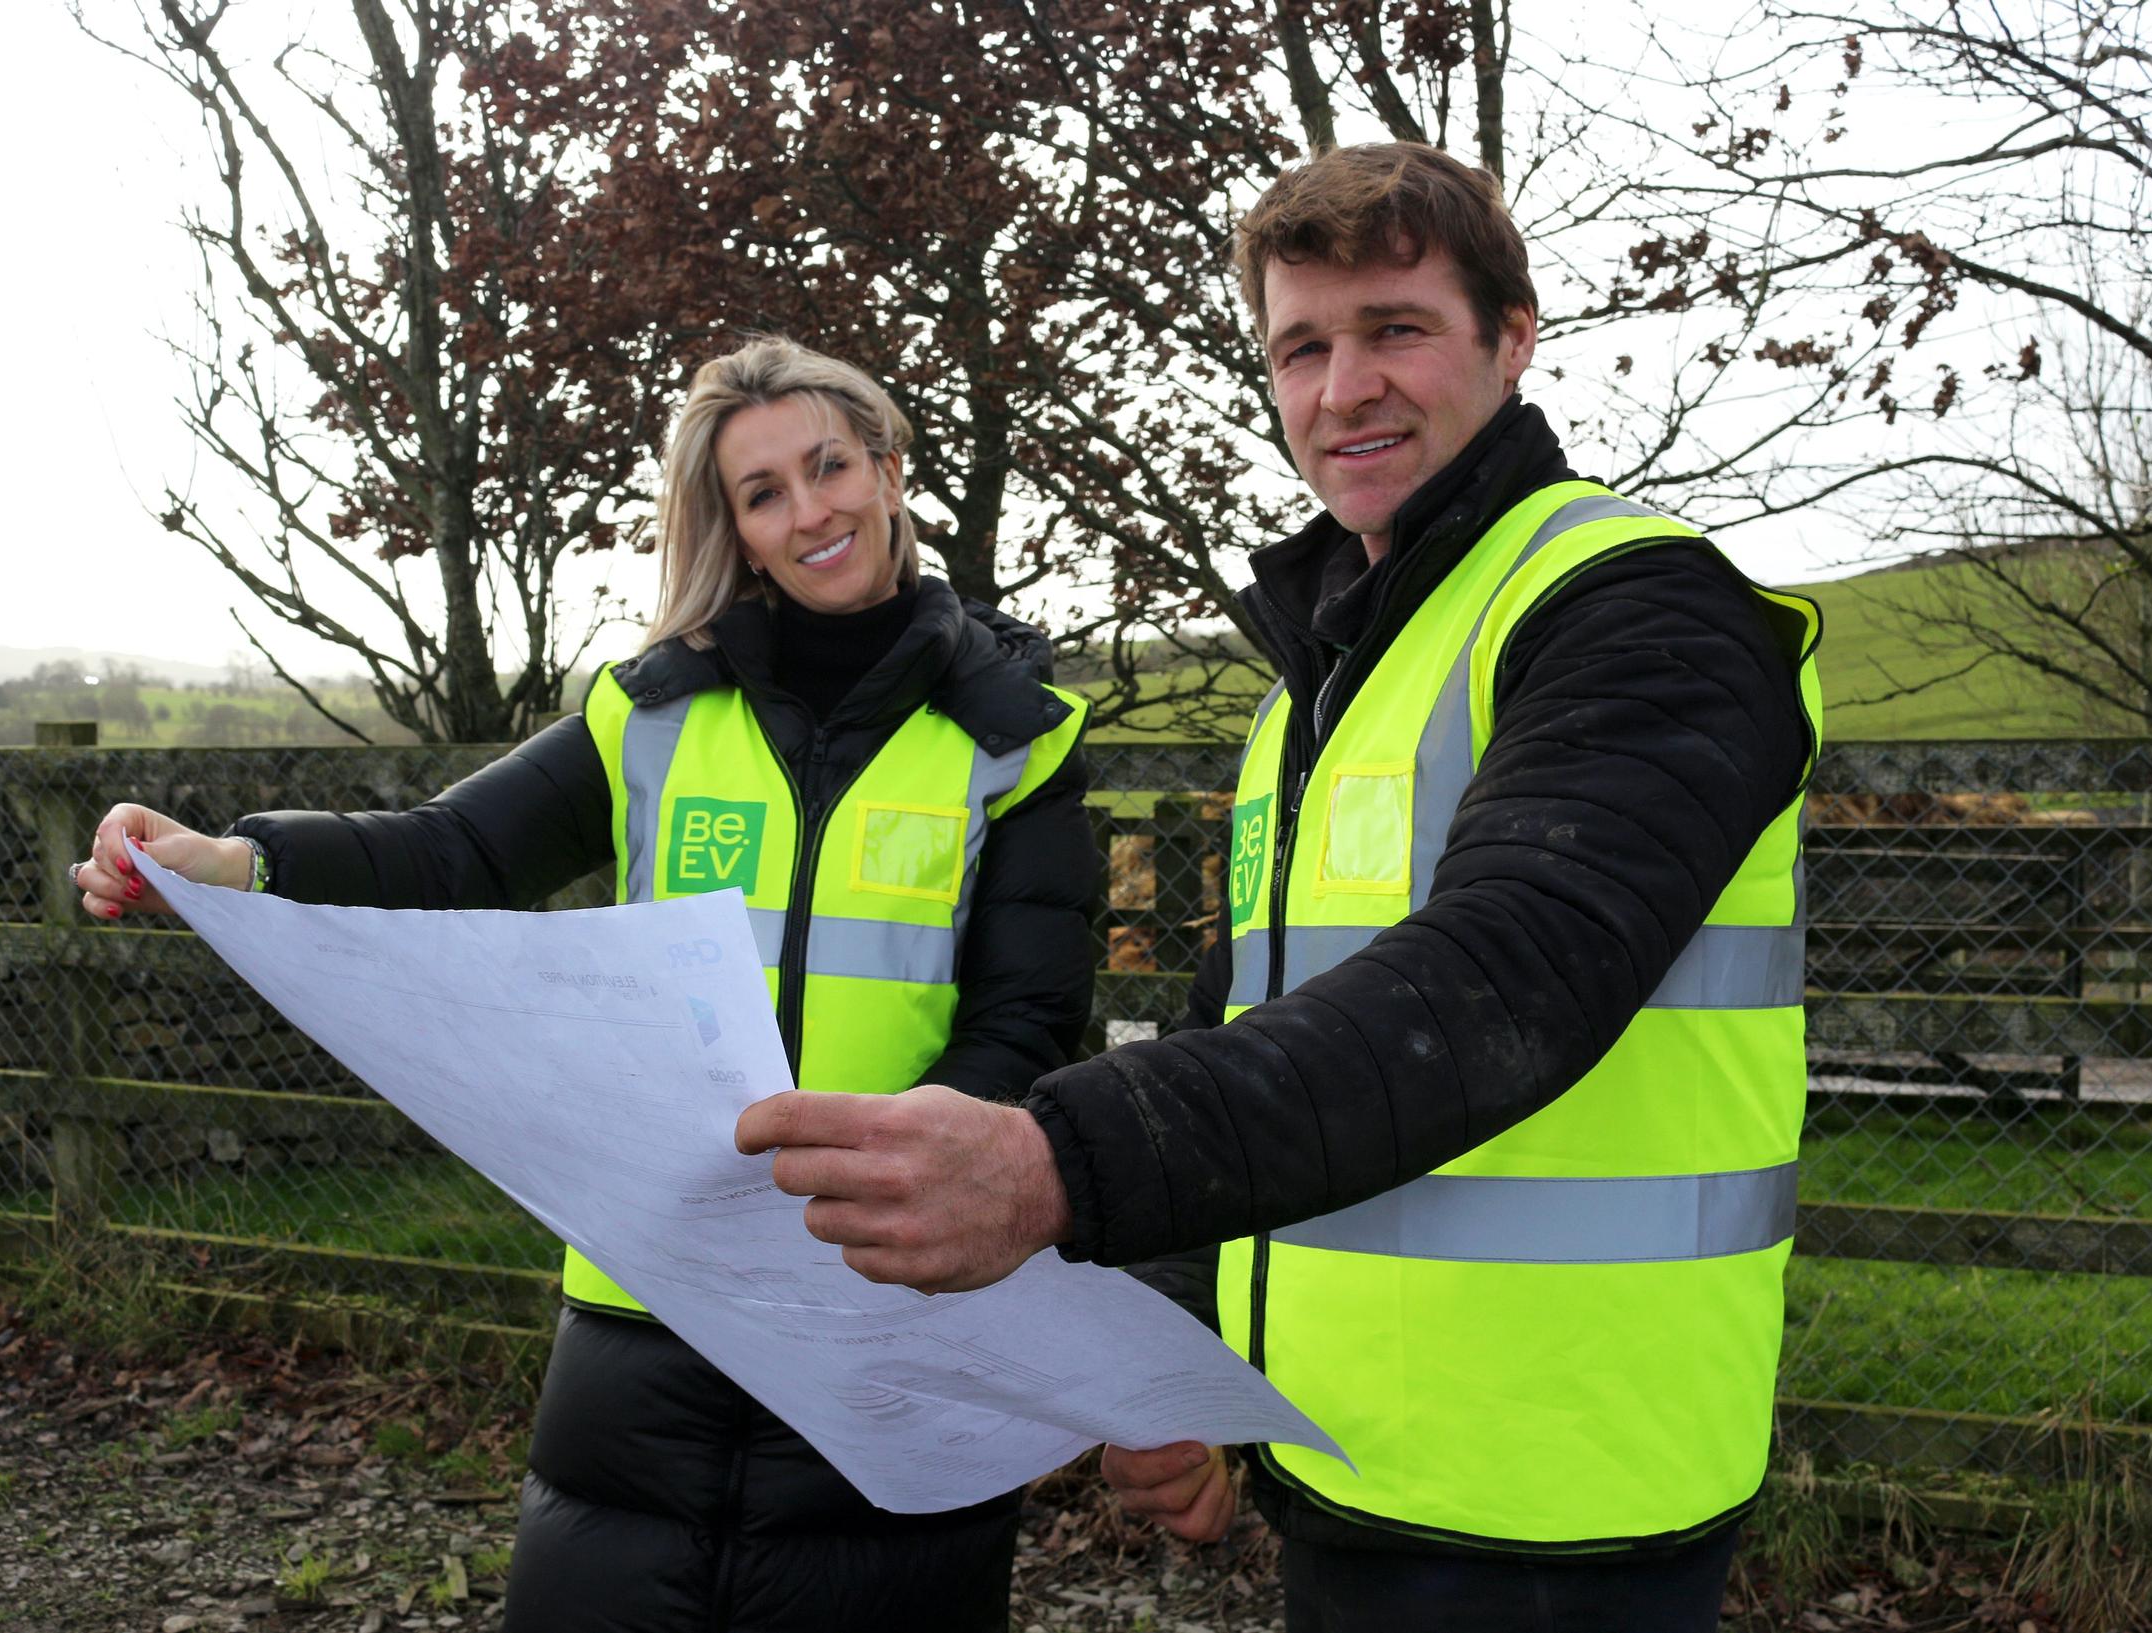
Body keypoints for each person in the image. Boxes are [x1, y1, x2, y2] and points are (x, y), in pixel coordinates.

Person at [735, 143, 1823, 1631]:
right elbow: (1238, 1016)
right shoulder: (1313, 698)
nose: (1341, 388)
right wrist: (1170, 1349)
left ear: (1511, 339)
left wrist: (1062, 1159)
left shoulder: (1638, 610)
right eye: (1299, 346)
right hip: (1349, 1463)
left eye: (1394, 329)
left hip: (1564, 1494)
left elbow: (1505, 981)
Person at [71, 336, 1097, 1633]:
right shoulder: (651, 713)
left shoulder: (1019, 742)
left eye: (828, 466)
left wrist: (900, 1196)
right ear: (730, 525)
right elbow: (454, 849)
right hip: (646, 1302)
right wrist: (235, 862)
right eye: (761, 491)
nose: (808, 509)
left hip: (884, 1311)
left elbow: (1025, 1026)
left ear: (888, 471)